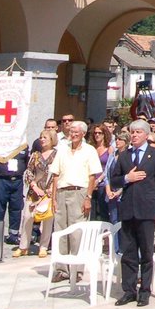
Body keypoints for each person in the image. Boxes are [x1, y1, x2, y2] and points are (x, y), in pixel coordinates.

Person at [110, 118, 155, 307]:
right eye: (132, 132)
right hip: (128, 209)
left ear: (146, 135)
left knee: (146, 252)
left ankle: (144, 291)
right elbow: (114, 181)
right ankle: (129, 290)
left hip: (147, 209)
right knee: (128, 253)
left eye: (138, 132)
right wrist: (128, 178)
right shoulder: (125, 156)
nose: (134, 135)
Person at [49, 120, 102, 280]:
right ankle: (61, 269)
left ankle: (77, 270)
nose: (72, 134)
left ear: (83, 134)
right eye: (71, 131)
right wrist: (53, 197)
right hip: (62, 192)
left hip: (79, 192)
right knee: (60, 230)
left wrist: (88, 197)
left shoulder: (89, 150)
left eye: (76, 132)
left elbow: (92, 176)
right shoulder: (62, 150)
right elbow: (56, 174)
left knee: (77, 232)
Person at [13, 129, 57, 258]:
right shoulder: (35, 155)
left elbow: (58, 173)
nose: (42, 139)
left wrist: (51, 188)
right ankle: (23, 246)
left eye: (45, 137)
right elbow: (29, 172)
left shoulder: (57, 155)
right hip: (34, 192)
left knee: (47, 219)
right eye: (41, 137)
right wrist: (34, 185)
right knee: (27, 217)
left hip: (49, 192)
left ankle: (43, 246)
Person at [0, 147, 27, 246]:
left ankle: (13, 235)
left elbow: (26, 161)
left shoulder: (23, 146)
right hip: (2, 180)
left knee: (16, 208)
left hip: (17, 180)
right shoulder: (1, 144)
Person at [89, 124, 113, 221]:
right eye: (95, 133)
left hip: (103, 183)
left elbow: (109, 167)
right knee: (91, 212)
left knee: (103, 212)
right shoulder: (91, 148)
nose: (97, 135)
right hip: (91, 183)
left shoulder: (109, 149)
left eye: (100, 133)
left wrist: (98, 180)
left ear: (104, 134)